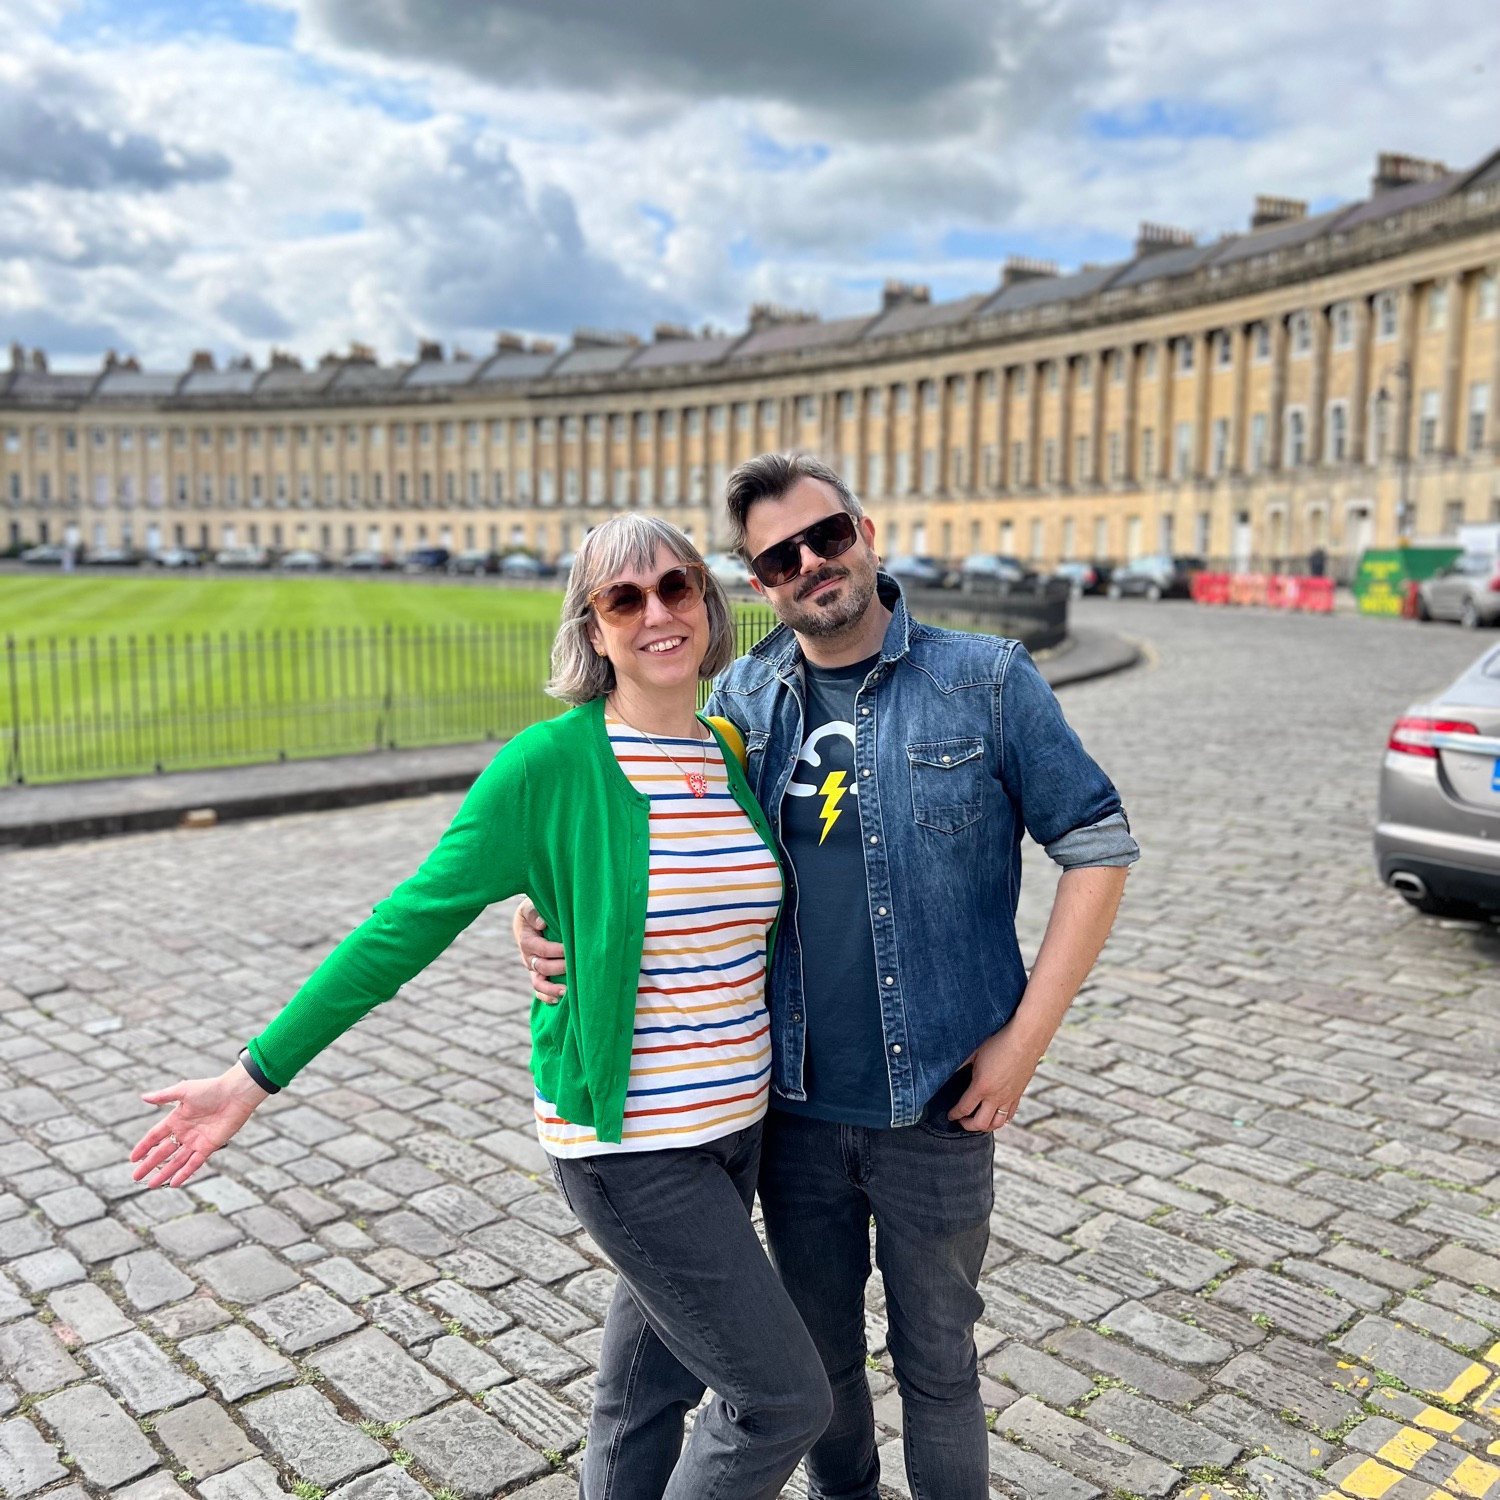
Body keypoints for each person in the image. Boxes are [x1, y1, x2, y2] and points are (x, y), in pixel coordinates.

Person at [128, 514, 832, 1500]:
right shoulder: (544, 768)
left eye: (676, 588)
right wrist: (253, 1075)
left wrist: (572, 932)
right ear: (592, 630)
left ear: (709, 608)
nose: (657, 613)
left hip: (732, 1134)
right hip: (630, 1150)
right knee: (781, 1402)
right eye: (623, 598)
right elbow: (404, 922)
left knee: (643, 1396)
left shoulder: (726, 752)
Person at [517, 452, 1138, 1500]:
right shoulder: (742, 697)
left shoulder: (987, 679)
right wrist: (543, 920)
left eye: (828, 536)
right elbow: (650, 834)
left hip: (939, 1101)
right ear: (758, 585)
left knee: (940, 1369)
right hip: (789, 1109)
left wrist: (1023, 1042)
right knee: (822, 1369)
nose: (813, 562)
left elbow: (1098, 843)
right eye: (781, 556)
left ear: (868, 536)